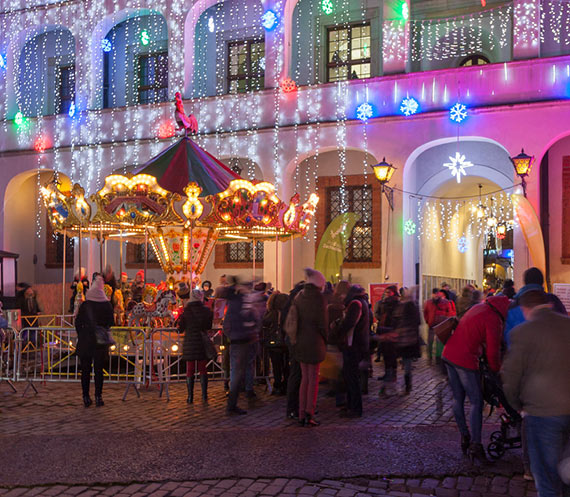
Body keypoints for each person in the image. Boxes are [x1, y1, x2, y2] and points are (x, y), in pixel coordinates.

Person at [501, 290, 570, 497]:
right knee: (566, 474)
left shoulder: (522, 333)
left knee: (546, 478)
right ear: (548, 305)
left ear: (525, 309)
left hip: (542, 412)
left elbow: (511, 378)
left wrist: (516, 406)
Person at [442, 295, 509, 463]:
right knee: (476, 401)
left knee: (458, 398)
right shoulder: (494, 319)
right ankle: (476, 445)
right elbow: (493, 353)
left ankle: (465, 436)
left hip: (449, 354)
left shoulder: (478, 307)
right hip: (465, 359)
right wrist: (497, 372)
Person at [289, 268, 328, 427]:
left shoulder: (299, 296)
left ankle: (300, 413)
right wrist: (327, 339)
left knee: (304, 378)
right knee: (313, 379)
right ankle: (309, 412)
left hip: (300, 341)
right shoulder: (319, 298)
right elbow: (322, 324)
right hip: (314, 342)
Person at [75, 274, 114, 407]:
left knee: (85, 370)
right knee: (98, 370)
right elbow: (111, 322)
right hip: (100, 341)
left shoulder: (86, 305)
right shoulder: (107, 305)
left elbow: (78, 322)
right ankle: (99, 396)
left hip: (86, 339)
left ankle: (86, 396)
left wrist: (82, 334)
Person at [504, 267, 567, 348]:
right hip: (550, 353)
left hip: (522, 354)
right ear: (542, 282)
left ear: (525, 282)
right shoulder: (553, 301)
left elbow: (508, 336)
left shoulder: (513, 305)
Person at [219, 276, 256, 415]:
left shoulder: (233, 302)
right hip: (242, 340)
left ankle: (233, 402)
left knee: (237, 371)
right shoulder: (243, 303)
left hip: (235, 340)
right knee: (237, 372)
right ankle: (232, 404)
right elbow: (250, 320)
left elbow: (227, 324)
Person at [336, 284, 370, 417]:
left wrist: (338, 329)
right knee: (350, 376)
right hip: (358, 344)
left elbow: (349, 323)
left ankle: (355, 408)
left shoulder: (355, 304)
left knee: (351, 377)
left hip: (353, 345)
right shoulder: (362, 302)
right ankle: (351, 406)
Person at [179, 289, 213, 404]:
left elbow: (181, 328)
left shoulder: (186, 311)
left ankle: (190, 396)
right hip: (201, 341)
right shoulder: (206, 310)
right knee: (202, 368)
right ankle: (204, 395)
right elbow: (208, 325)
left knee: (190, 369)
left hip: (190, 341)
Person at [393, 287, 421, 394]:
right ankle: (407, 385)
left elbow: (395, 321)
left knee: (405, 361)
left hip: (402, 338)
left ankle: (406, 384)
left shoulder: (401, 306)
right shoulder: (412, 306)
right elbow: (417, 322)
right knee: (407, 363)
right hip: (409, 338)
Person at [261, 292, 290, 395]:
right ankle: (286, 384)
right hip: (286, 342)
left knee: (276, 365)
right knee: (286, 365)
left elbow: (264, 322)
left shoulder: (271, 313)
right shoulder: (288, 313)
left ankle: (277, 385)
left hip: (274, 343)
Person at [285, 281, 305, 420]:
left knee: (297, 374)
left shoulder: (290, 301)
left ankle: (296, 407)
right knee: (297, 374)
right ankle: (294, 407)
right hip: (296, 341)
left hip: (292, 341)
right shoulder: (296, 303)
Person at [374, 285, 399, 391]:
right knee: (386, 353)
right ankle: (388, 373)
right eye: (386, 292)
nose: (387, 294)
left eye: (389, 292)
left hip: (391, 331)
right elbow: (379, 314)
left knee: (391, 354)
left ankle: (392, 374)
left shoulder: (396, 303)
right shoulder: (383, 303)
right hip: (384, 329)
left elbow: (396, 317)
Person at [423, 289, 454, 366]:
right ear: (432, 294)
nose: (436, 295)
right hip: (432, 325)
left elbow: (449, 313)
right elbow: (425, 313)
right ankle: (429, 358)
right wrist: (428, 321)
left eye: (437, 294)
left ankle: (438, 359)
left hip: (441, 325)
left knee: (439, 343)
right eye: (434, 294)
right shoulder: (428, 302)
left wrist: (445, 321)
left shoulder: (445, 302)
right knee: (430, 342)